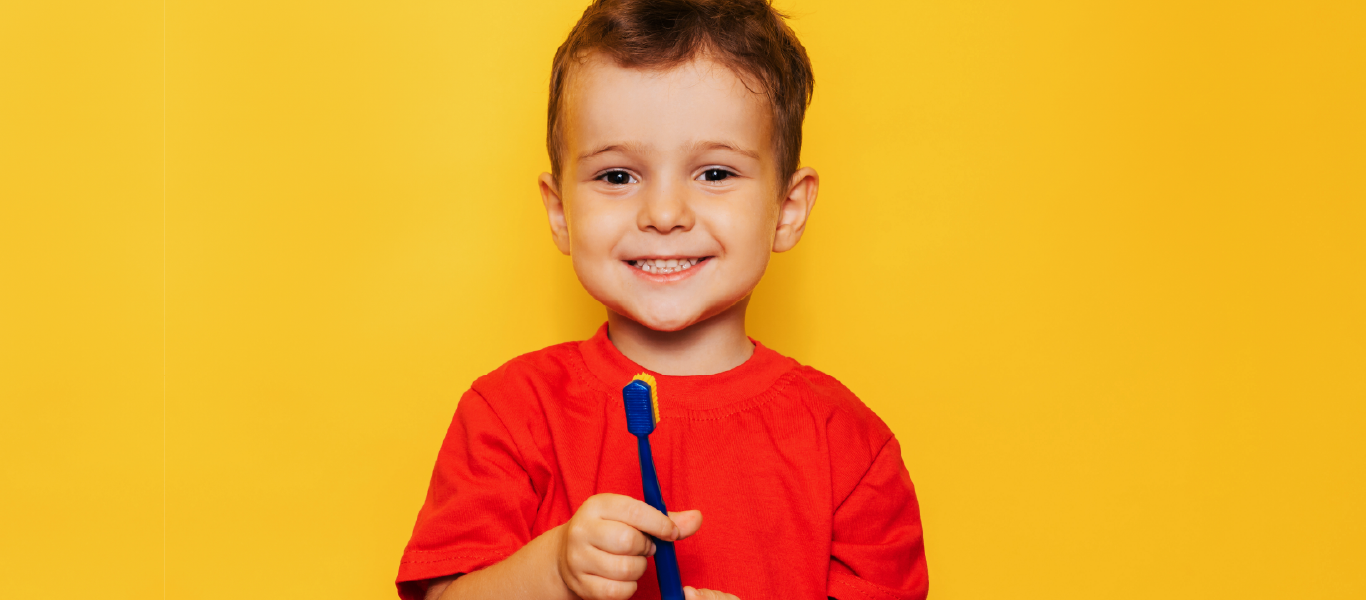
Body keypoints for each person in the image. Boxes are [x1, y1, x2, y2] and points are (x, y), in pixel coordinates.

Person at [396, 1, 928, 598]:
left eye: (716, 173)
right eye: (618, 176)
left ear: (788, 209)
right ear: (560, 211)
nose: (665, 214)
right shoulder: (509, 416)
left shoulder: (851, 448)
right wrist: (553, 573)